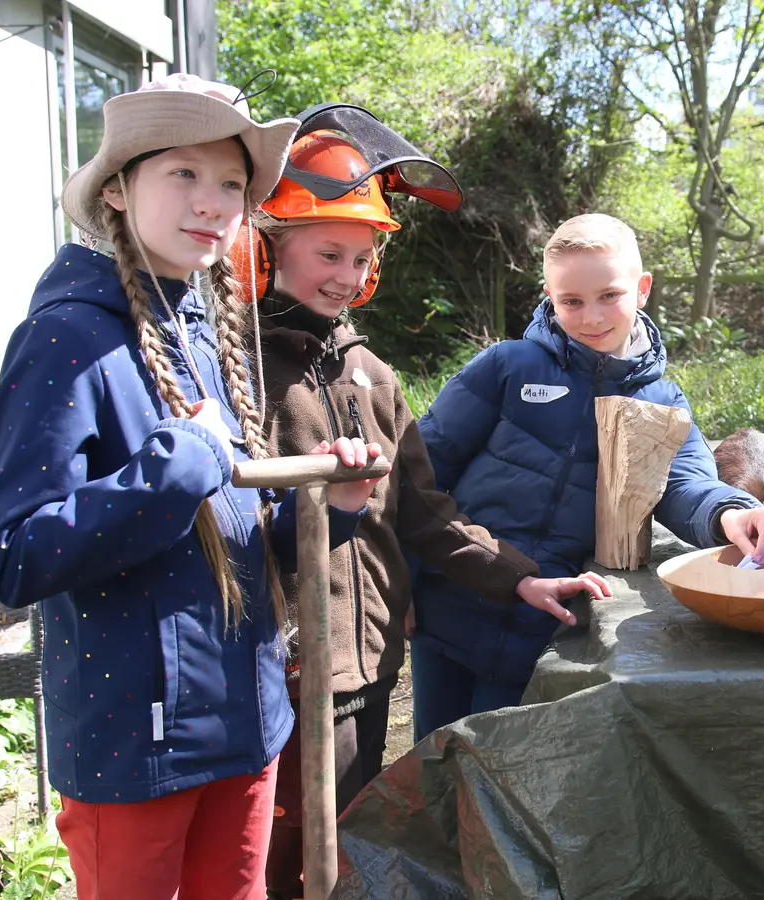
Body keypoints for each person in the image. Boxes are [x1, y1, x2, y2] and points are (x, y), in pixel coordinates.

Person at [0, 74, 382, 900]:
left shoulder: (204, 336)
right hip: (136, 746)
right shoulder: (65, 338)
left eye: (231, 183)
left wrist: (331, 510)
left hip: (247, 721)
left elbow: (236, 542)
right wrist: (179, 460)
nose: (212, 202)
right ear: (119, 191)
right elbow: (16, 557)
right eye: (183, 175)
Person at [235, 108, 611, 900]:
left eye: (361, 256)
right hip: (285, 664)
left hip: (367, 659)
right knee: (277, 848)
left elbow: (426, 513)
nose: (345, 273)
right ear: (263, 249)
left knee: (352, 833)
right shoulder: (243, 373)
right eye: (327, 251)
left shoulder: (371, 374)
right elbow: (233, 529)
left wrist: (517, 577)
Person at [408, 212, 764, 740]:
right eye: (572, 302)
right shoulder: (507, 367)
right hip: (452, 597)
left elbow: (682, 484)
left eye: (610, 295)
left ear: (643, 288)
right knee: (432, 751)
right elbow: (420, 469)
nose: (591, 317)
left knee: (501, 764)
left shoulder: (662, 399)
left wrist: (731, 513)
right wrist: (403, 577)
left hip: (546, 620)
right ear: (549, 296)